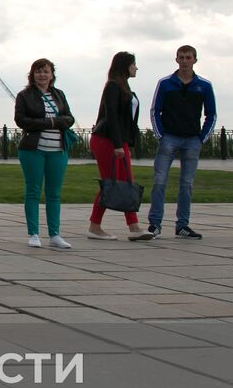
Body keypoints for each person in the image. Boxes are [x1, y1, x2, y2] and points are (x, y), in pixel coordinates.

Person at [148, 45, 217, 239]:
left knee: (186, 184)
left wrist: (202, 138)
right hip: (169, 137)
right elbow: (155, 110)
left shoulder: (204, 85)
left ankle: (182, 225)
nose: (185, 61)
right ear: (176, 59)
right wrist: (160, 135)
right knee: (160, 181)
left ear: (195, 60)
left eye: (188, 58)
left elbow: (211, 114)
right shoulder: (165, 83)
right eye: (181, 57)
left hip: (192, 140)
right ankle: (155, 224)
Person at [88, 51, 152, 240]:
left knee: (126, 182)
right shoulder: (113, 86)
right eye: (133, 64)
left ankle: (133, 227)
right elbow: (112, 116)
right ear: (125, 66)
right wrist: (117, 144)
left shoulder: (124, 87)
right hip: (107, 141)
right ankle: (94, 227)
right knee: (110, 183)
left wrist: (124, 143)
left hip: (118, 141)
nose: (136, 68)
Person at [14, 58, 75, 249]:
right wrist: (49, 123)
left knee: (54, 193)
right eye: (38, 71)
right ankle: (33, 233)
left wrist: (52, 122)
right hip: (33, 150)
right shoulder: (24, 95)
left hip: (57, 150)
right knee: (33, 190)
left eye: (46, 71)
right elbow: (22, 120)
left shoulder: (59, 94)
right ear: (32, 75)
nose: (42, 75)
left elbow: (69, 118)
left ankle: (55, 234)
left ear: (52, 75)